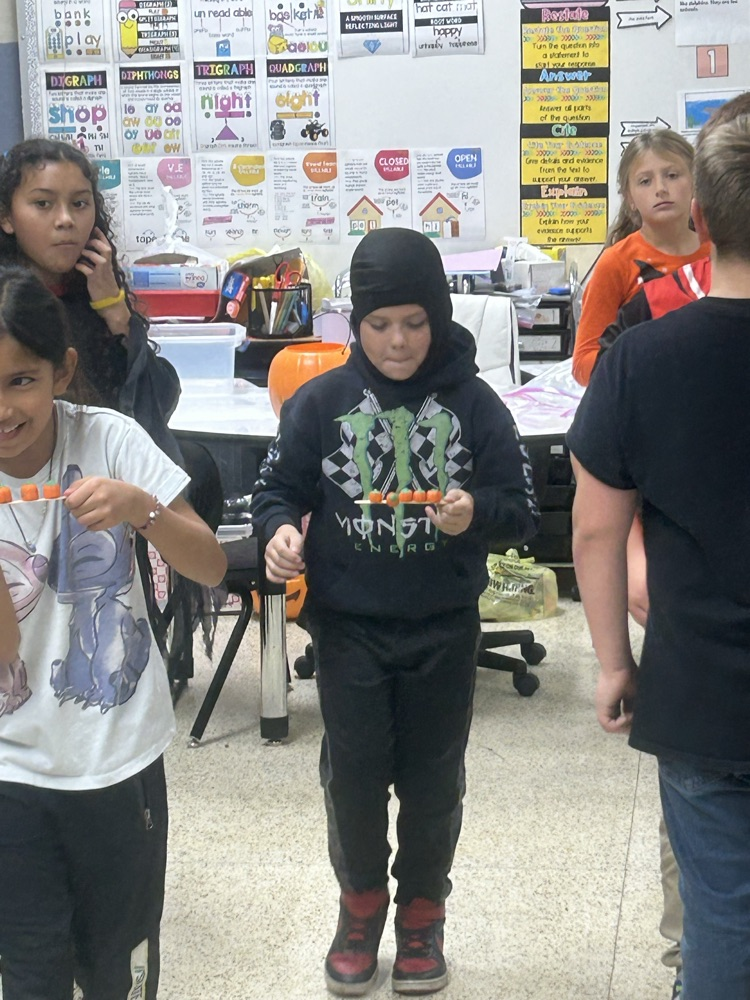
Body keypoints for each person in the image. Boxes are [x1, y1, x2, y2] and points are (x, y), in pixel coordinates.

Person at [250, 228, 539, 997]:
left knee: (434, 780)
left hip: (444, 629)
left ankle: (422, 911)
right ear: (356, 323)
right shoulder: (321, 402)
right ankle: (360, 905)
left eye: (415, 322)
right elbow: (279, 490)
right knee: (352, 778)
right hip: (348, 632)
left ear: (440, 317)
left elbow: (523, 510)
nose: (399, 340)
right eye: (380, 325)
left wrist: (475, 509)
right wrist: (280, 532)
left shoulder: (476, 404)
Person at [0, 266, 227, 999]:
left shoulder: (109, 438)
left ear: (61, 371)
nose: (3, 408)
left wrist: (142, 509)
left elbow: (211, 563)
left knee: (114, 973)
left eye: (20, 381)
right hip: (10, 773)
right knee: (30, 973)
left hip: (117, 758)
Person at [567, 115, 750, 1000]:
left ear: (705, 212)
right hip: (701, 690)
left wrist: (612, 663)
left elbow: (596, 529)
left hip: (702, 686)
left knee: (719, 916)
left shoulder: (640, 357)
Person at [0, 137, 181, 463]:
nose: (65, 220)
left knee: (198, 468)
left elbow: (159, 405)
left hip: (106, 468)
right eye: (43, 204)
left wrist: (114, 308)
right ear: (7, 218)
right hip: (23, 475)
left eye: (80, 204)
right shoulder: (7, 306)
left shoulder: (93, 297)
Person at [572, 128, 710, 389]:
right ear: (630, 198)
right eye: (645, 181)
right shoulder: (616, 263)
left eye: (672, 175)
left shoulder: (719, 252)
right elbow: (583, 364)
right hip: (646, 402)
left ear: (695, 182)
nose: (661, 189)